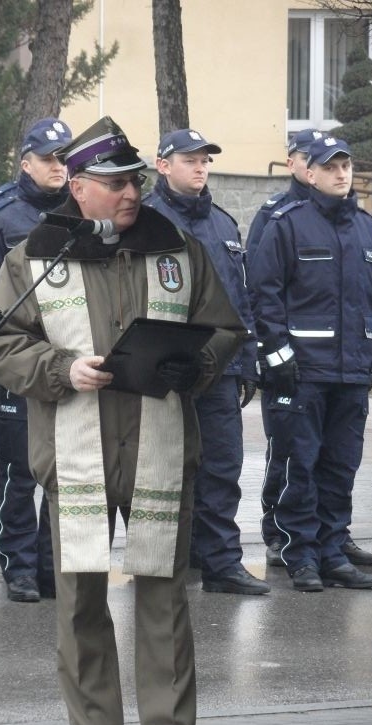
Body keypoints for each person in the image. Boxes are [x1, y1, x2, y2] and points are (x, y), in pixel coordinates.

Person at [0, 115, 245, 725]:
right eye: (116, 182)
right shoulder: (36, 257)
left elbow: (223, 328)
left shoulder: (178, 249)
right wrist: (62, 369)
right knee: (80, 605)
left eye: (134, 180)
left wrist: (197, 365)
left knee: (165, 601)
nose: (131, 192)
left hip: (159, 446)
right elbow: (0, 347)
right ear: (78, 187)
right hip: (76, 453)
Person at [247, 135, 372, 592]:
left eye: (346, 166)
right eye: (331, 167)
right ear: (310, 173)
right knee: (298, 465)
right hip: (304, 372)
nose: (341, 174)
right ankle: (299, 552)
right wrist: (279, 356)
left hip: (351, 373)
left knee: (340, 466)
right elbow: (264, 295)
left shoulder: (367, 227)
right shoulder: (287, 224)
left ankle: (331, 552)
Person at [144, 128, 268, 596]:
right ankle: (158, 563)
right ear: (163, 165)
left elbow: (241, 299)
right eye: (190, 160)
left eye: (205, 161)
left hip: (218, 369)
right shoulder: (146, 220)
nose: (200, 168)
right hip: (164, 369)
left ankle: (220, 563)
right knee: (160, 469)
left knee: (220, 467)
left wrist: (247, 362)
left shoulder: (222, 223)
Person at [0, 117, 72, 602]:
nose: (58, 167)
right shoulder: (1, 218)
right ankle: (18, 567)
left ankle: (53, 568)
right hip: (18, 362)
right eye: (49, 159)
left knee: (64, 472)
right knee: (18, 473)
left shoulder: (80, 213)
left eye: (64, 158)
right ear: (26, 162)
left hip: (68, 362)